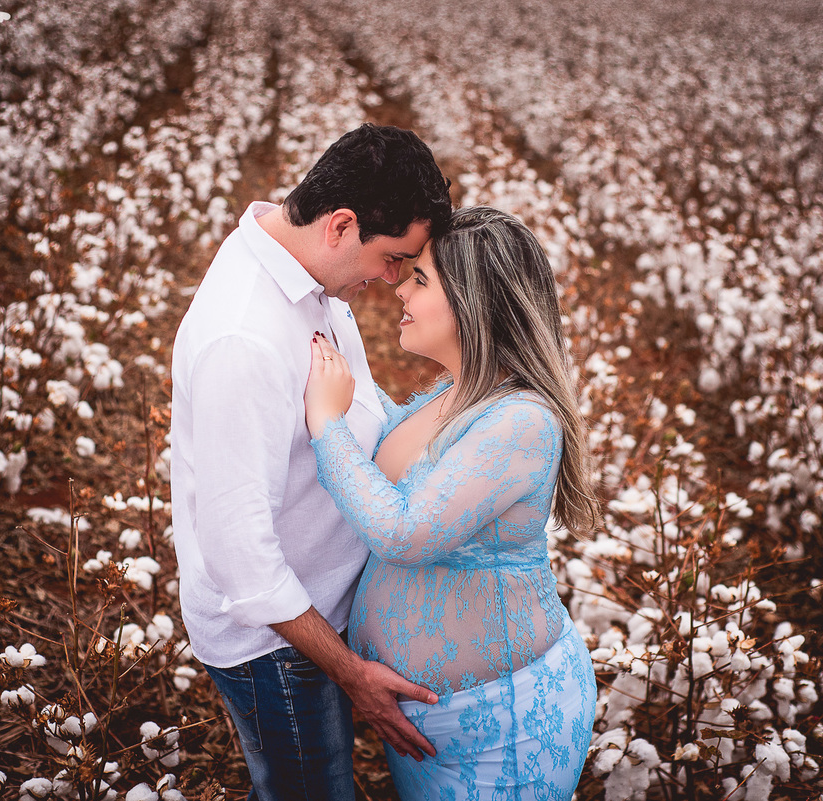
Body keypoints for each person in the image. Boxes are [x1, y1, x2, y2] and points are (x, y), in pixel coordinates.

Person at [170, 124, 453, 800]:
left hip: (321, 604)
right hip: (278, 644)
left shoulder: (305, 270)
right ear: (342, 225)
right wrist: (351, 673)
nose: (393, 279)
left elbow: (359, 409)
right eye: (392, 258)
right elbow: (242, 562)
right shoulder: (244, 339)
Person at [304, 206, 599, 799]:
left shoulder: (521, 420)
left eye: (420, 279)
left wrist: (326, 424)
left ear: (473, 303)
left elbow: (402, 534)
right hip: (428, 722)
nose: (400, 291)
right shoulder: (455, 394)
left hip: (506, 728)